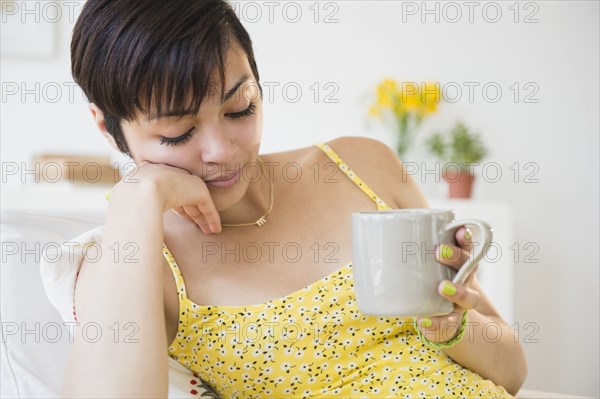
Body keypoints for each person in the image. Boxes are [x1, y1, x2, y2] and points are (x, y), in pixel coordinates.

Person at [55, 0, 527, 397]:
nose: (222, 150)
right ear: (106, 125)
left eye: (240, 107)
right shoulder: (135, 262)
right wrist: (136, 196)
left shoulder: (362, 166)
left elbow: (512, 370)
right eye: (178, 134)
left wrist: (449, 324)